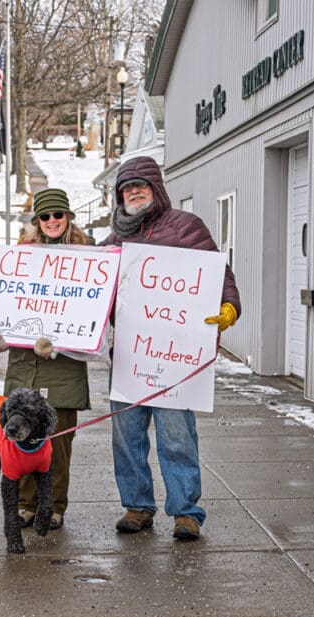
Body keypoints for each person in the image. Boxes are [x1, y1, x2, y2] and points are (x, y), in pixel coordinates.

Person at [102, 156, 241, 541]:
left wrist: (228, 305)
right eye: (126, 188)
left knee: (176, 436)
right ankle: (137, 506)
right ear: (119, 196)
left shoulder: (185, 227)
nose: (133, 192)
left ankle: (185, 512)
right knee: (126, 438)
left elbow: (219, 273)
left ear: (156, 188)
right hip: (129, 360)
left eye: (140, 185)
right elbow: (90, 284)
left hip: (173, 361)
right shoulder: (115, 240)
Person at [1, 188, 93, 531]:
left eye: (58, 215)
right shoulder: (20, 258)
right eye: (45, 216)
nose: (52, 221)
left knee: (57, 443)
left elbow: (94, 314)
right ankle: (25, 504)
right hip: (26, 364)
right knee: (22, 438)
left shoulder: (87, 259)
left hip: (64, 368)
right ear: (36, 222)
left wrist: (66, 341)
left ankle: (53, 506)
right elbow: (2, 305)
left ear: (68, 217)